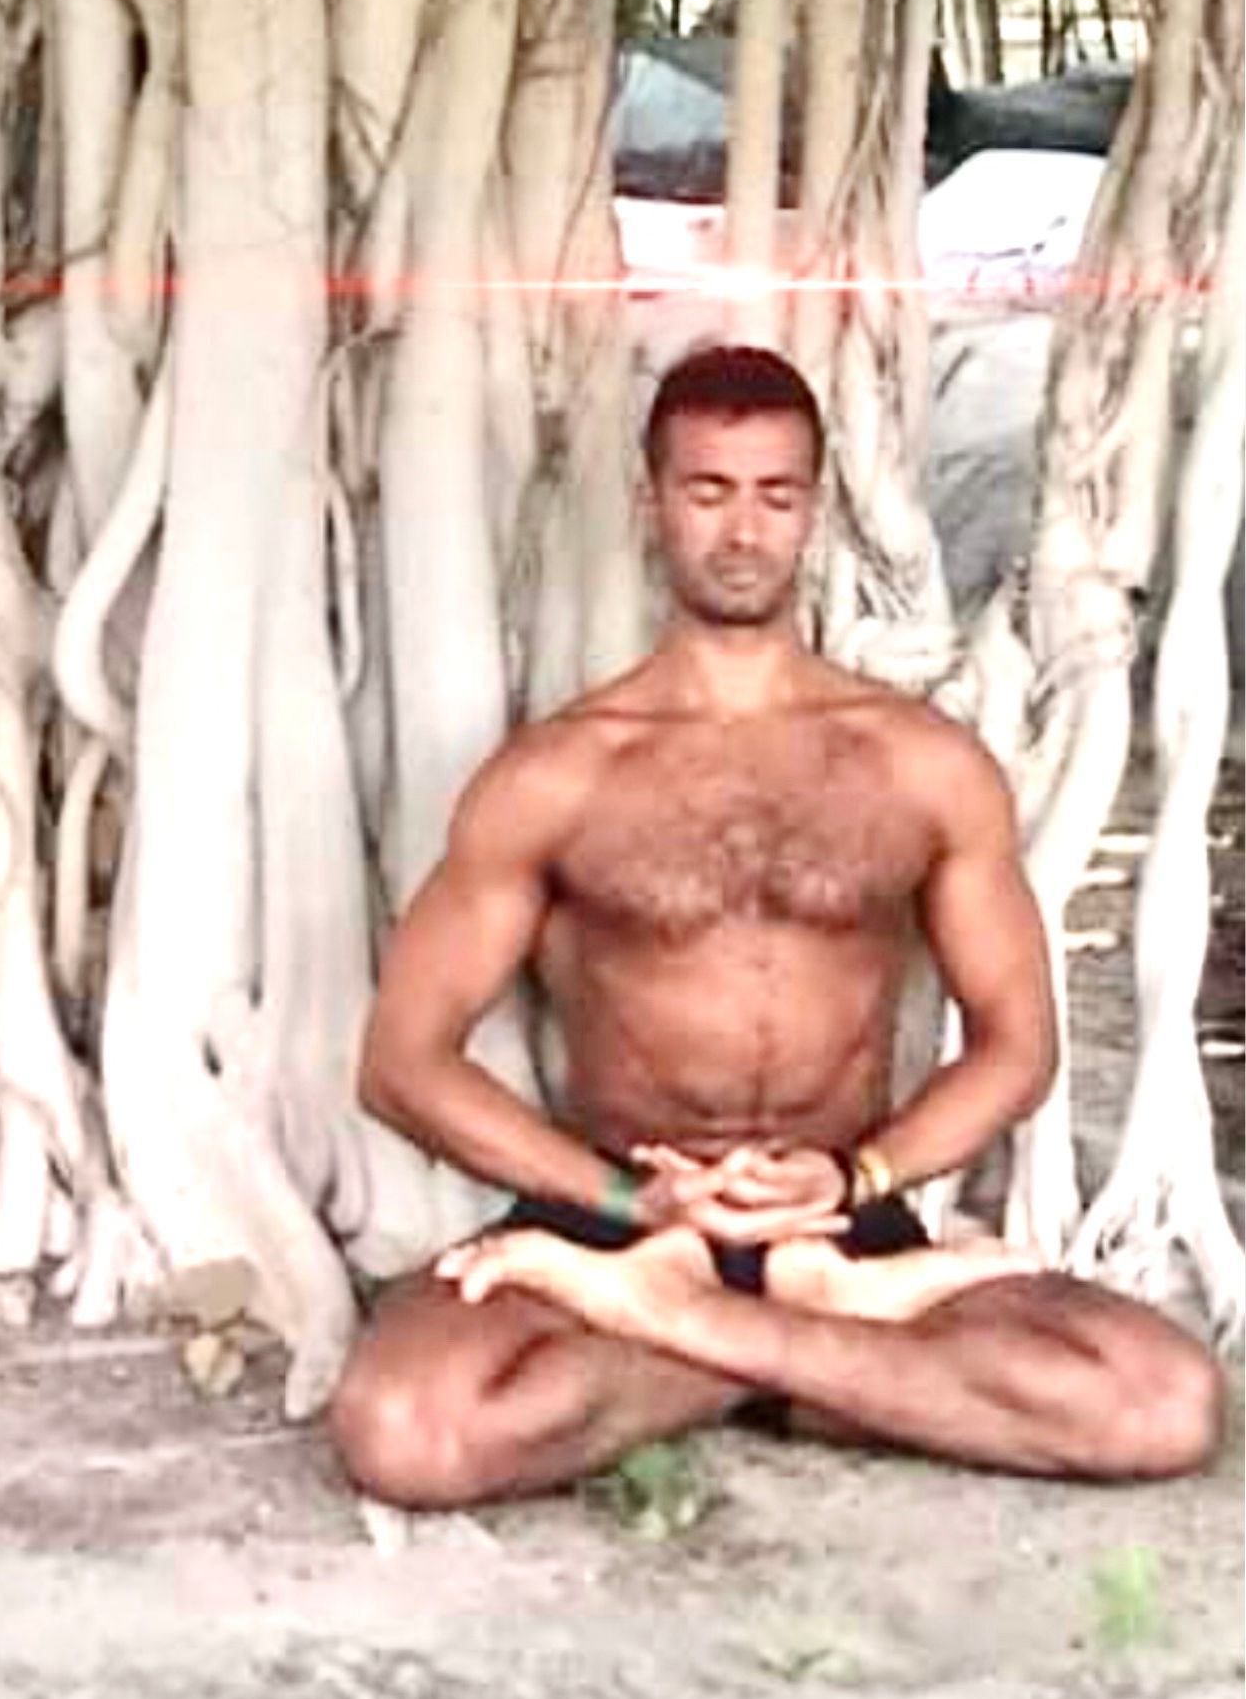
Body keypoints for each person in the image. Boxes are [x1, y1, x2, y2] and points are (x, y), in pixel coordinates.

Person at [330, 343, 1222, 1505]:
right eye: (708, 492)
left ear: (814, 507)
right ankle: (812, 1345)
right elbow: (401, 1063)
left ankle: (688, 1325)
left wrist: (856, 1180)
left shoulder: (920, 763)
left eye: (774, 494)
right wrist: (626, 1205)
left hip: (838, 1212)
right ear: (652, 504)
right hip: (620, 1206)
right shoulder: (558, 774)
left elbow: (1018, 1044)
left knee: (1163, 1400)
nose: (742, 530)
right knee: (407, 1429)